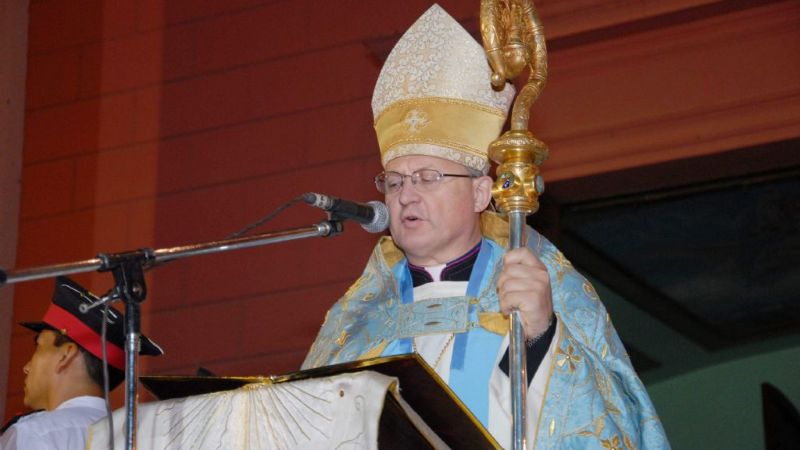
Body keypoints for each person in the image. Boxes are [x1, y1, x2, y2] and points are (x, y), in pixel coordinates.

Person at [302, 4, 670, 449]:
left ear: (481, 193)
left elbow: (613, 423)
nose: (406, 195)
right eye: (394, 182)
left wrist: (541, 337)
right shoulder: (356, 316)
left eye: (428, 178)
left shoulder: (539, 284)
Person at [0, 276, 163, 450]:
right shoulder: (141, 441)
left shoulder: (34, 433)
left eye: (39, 347)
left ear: (66, 355)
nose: (26, 367)